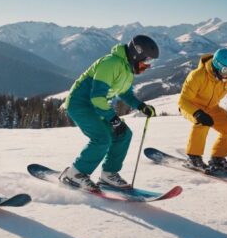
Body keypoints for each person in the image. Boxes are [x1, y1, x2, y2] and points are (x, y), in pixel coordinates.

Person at [60, 35, 159, 191]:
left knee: (124, 134)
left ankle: (108, 175)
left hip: (96, 106)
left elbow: (125, 93)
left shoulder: (127, 69)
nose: (147, 66)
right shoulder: (111, 64)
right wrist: (113, 119)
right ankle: (75, 173)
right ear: (136, 54)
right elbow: (97, 97)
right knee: (102, 138)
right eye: (145, 62)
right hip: (80, 104)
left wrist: (141, 106)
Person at [178, 48, 227, 173]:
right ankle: (193, 157)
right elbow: (183, 101)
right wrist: (197, 113)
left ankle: (218, 159)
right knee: (202, 122)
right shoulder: (197, 76)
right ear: (216, 66)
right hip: (191, 106)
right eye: (225, 70)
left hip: (212, 108)